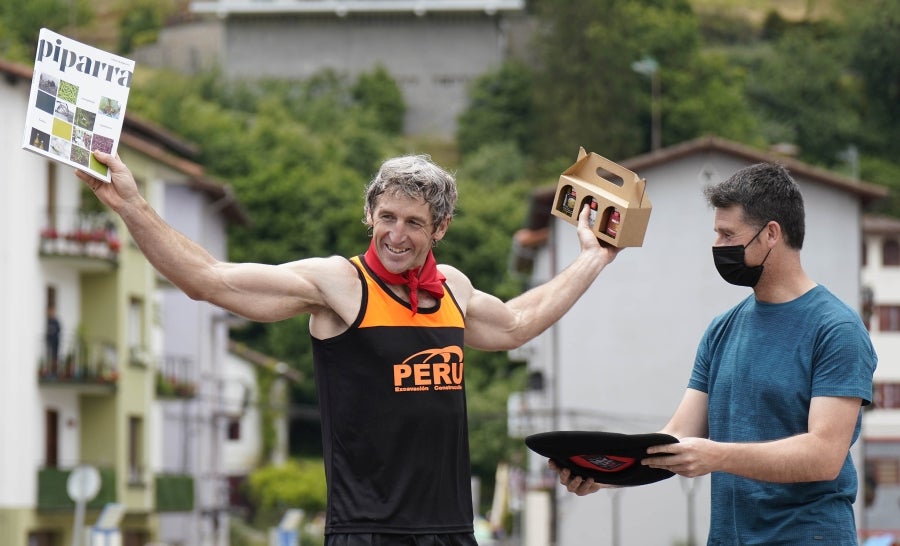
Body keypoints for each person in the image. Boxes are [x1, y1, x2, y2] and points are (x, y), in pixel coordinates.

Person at [78, 150, 619, 545]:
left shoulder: (452, 287)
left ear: (442, 228)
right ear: (369, 215)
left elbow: (518, 323)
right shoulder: (339, 284)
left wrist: (593, 258)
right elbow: (209, 280)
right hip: (367, 533)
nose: (396, 235)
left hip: (452, 529)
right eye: (387, 217)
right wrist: (131, 204)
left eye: (414, 223)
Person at [551, 163, 876, 545]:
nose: (718, 246)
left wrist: (717, 457)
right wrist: (604, 472)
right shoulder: (722, 329)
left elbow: (824, 455)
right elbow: (675, 440)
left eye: (727, 234)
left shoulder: (836, 329)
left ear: (771, 233)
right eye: (716, 234)